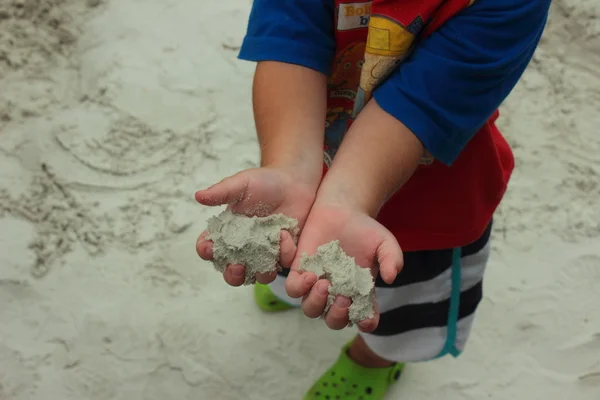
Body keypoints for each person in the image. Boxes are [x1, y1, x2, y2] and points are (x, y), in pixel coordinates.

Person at [196, 0, 551, 398]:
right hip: (311, 158)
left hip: (431, 206)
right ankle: (292, 281)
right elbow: (291, 37)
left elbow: (422, 102)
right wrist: (289, 170)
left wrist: (347, 200)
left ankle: (373, 360)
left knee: (399, 310)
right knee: (294, 246)